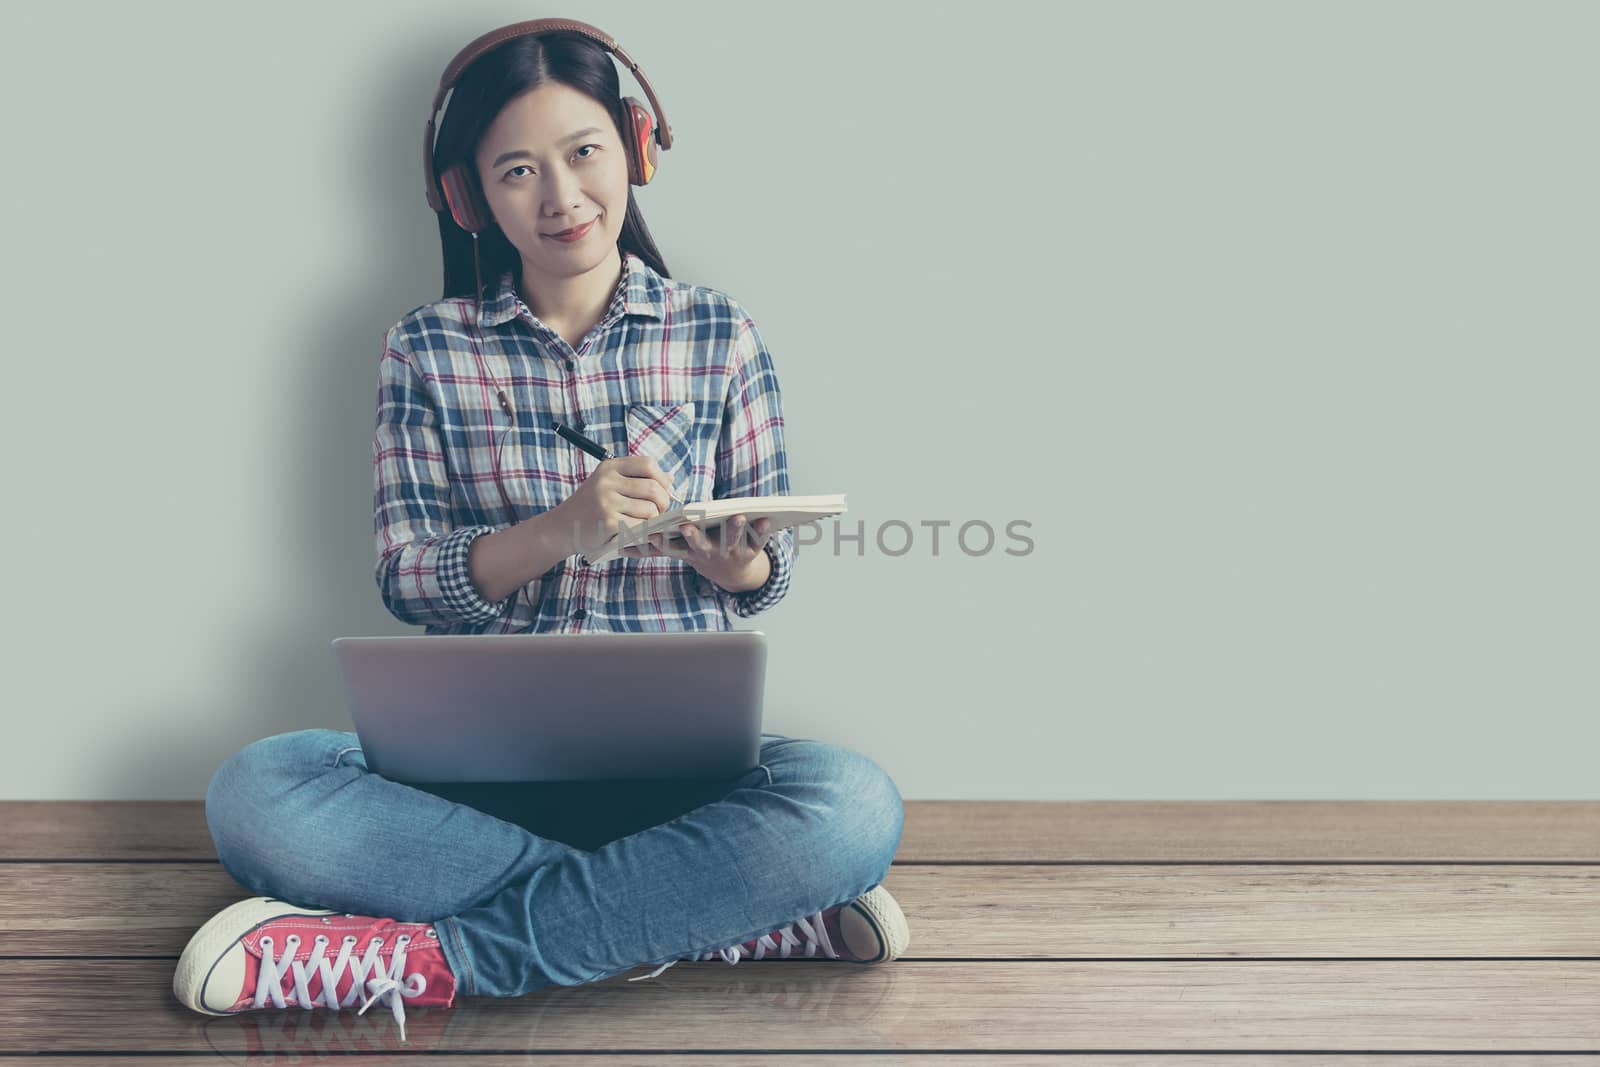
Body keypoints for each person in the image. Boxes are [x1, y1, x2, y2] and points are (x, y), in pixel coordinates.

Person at [171, 18, 908, 1043]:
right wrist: (560, 527)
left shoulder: (719, 334)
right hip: (468, 788)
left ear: (636, 149)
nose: (560, 196)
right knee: (258, 788)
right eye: (517, 170)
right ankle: (717, 916)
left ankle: (438, 960)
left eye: (584, 152)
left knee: (853, 802)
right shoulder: (424, 349)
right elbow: (407, 576)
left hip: (675, 783)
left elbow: (763, 569)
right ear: (470, 196)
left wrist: (738, 560)